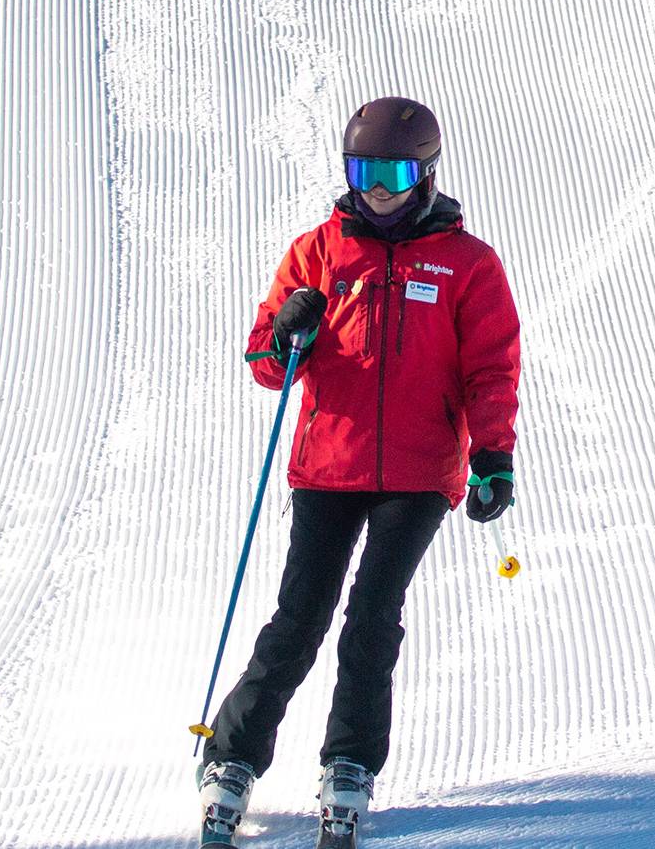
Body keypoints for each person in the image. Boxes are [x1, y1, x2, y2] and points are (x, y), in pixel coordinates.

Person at [198, 97, 520, 847]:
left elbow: (492, 368)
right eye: (364, 172)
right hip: (328, 466)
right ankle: (231, 758)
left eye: (395, 173)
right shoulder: (318, 252)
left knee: (373, 619)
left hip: (419, 472)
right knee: (298, 620)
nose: (378, 189)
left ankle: (348, 765)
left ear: (427, 172)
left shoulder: (467, 264)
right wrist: (287, 332)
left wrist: (493, 455)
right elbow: (264, 367)